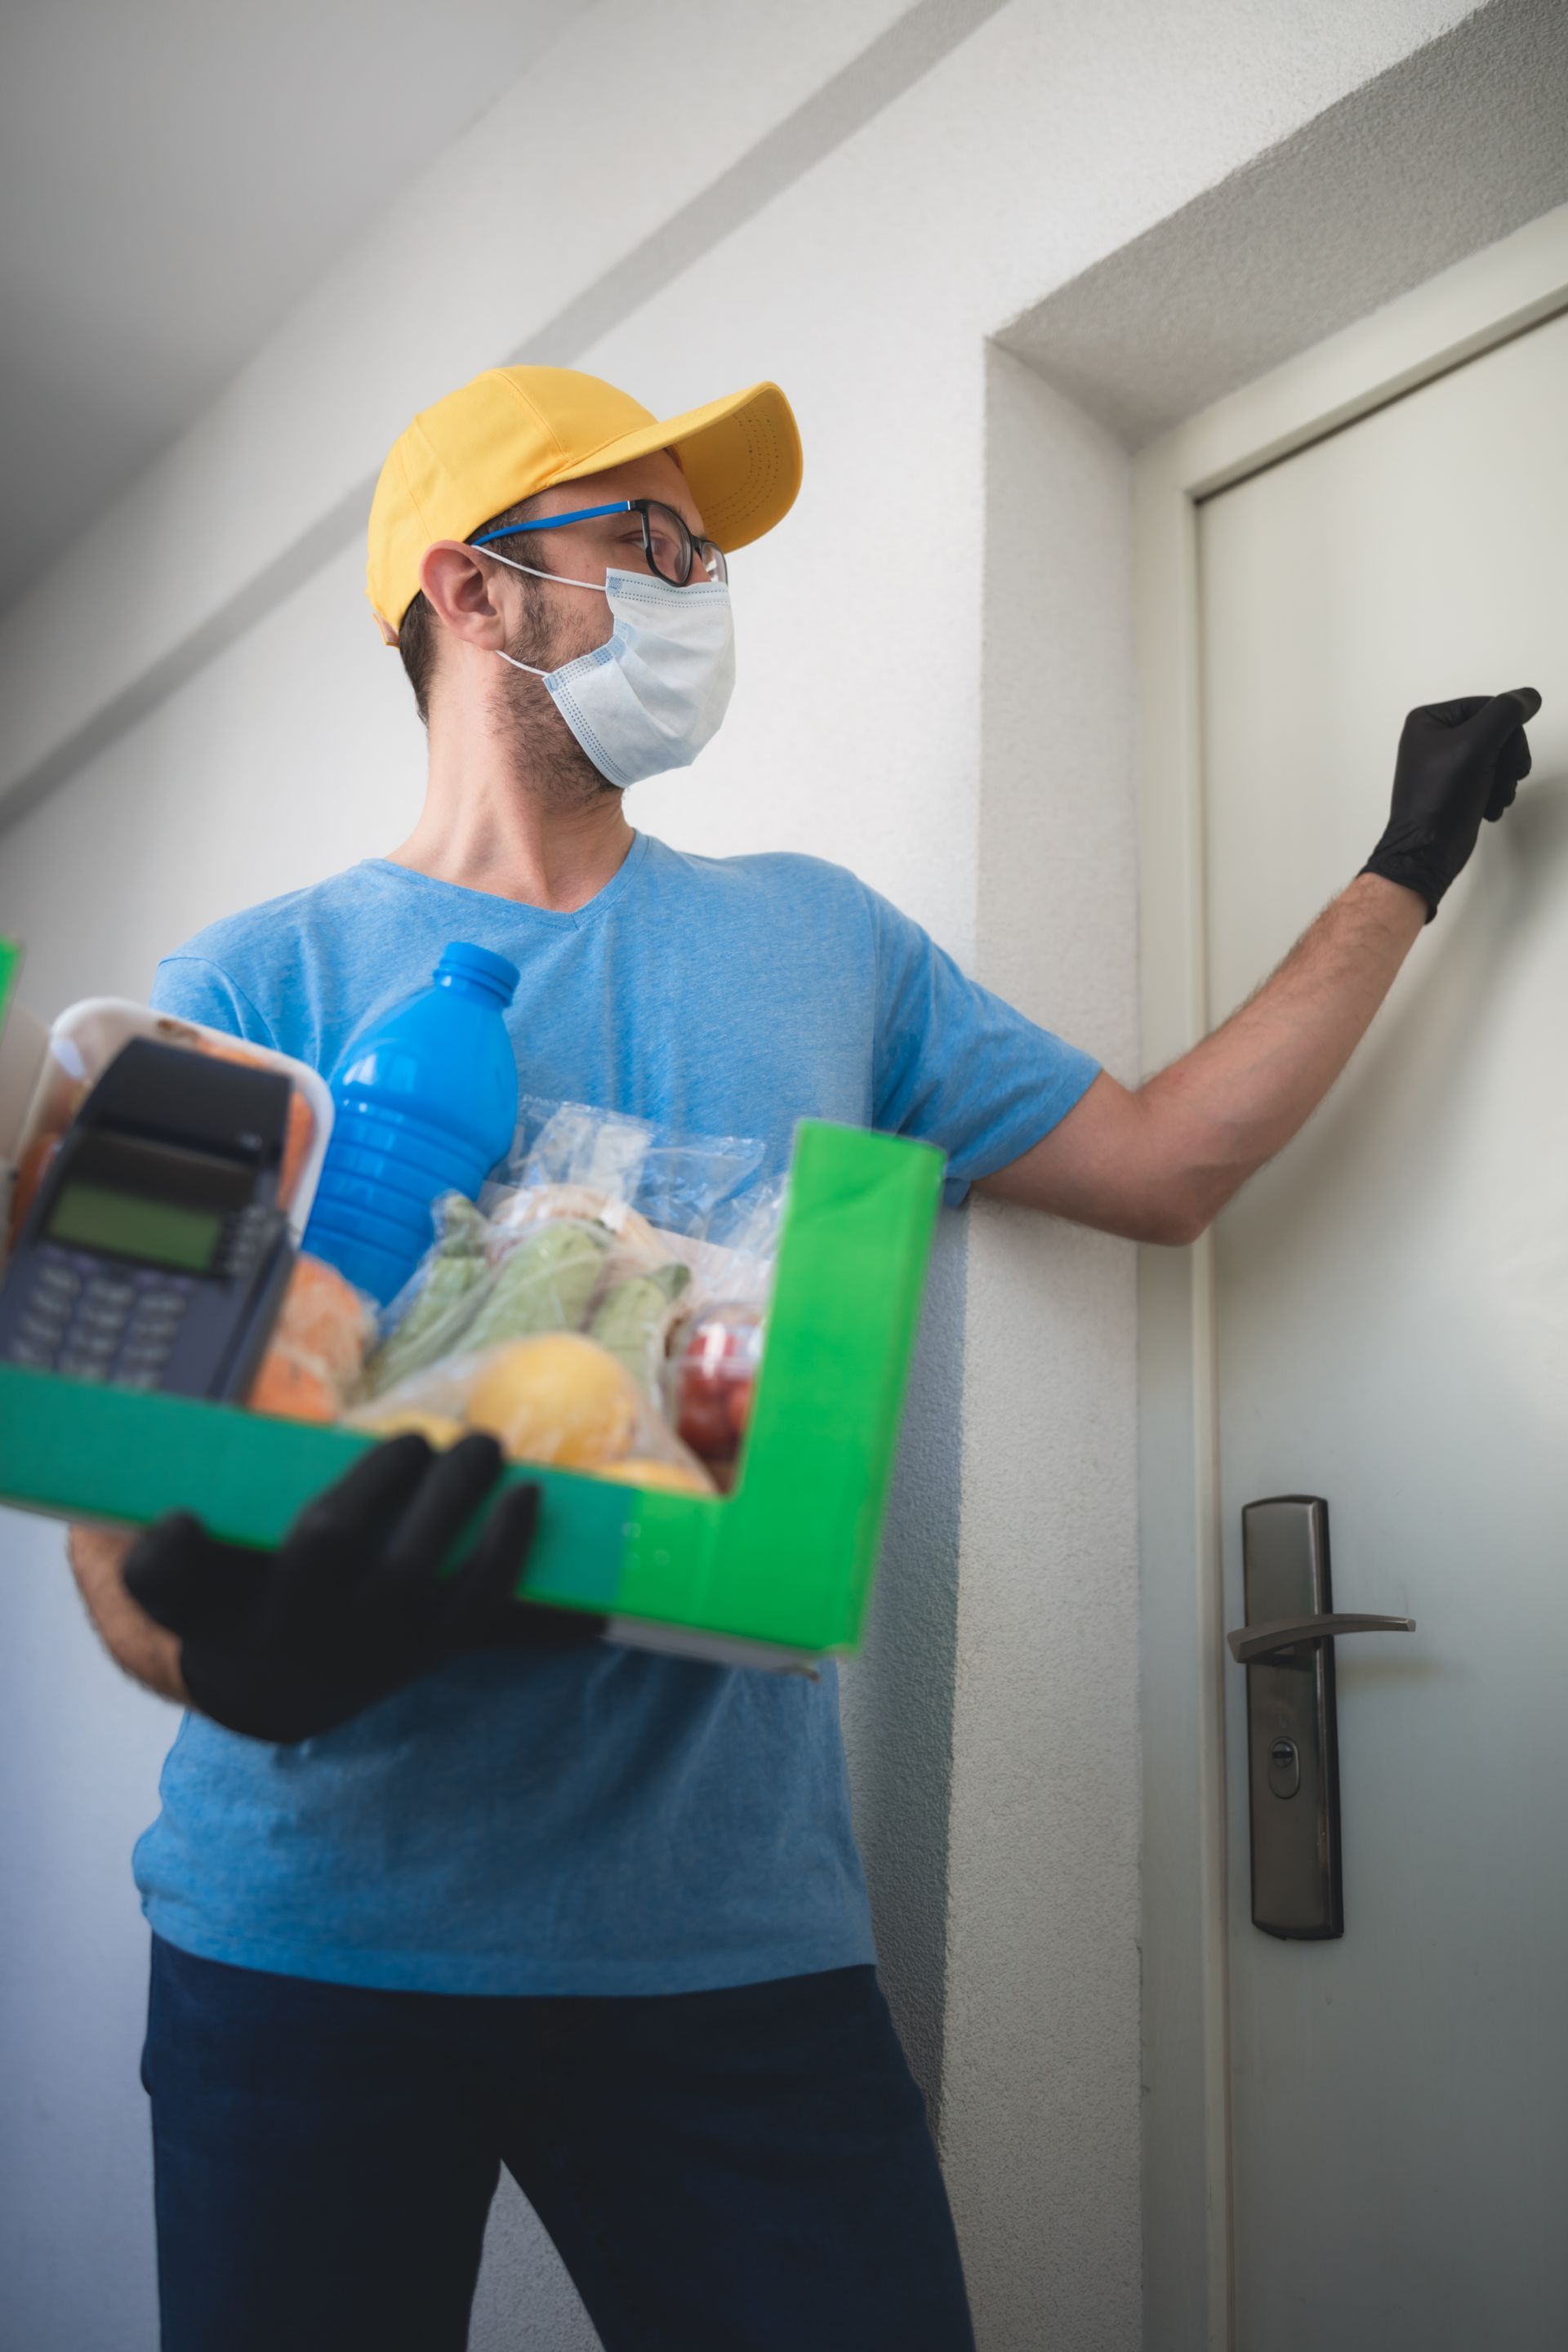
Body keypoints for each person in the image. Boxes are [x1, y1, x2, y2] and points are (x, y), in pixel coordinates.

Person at [67, 363, 1540, 2352]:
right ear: (474, 593)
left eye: (711, 554)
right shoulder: (245, 985)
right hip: (300, 1944)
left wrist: (1404, 868)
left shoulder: (821, 947)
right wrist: (223, 1655)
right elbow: (114, 1501)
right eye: (651, 543)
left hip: (723, 1958)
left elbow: (1170, 1163)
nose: (701, 593)